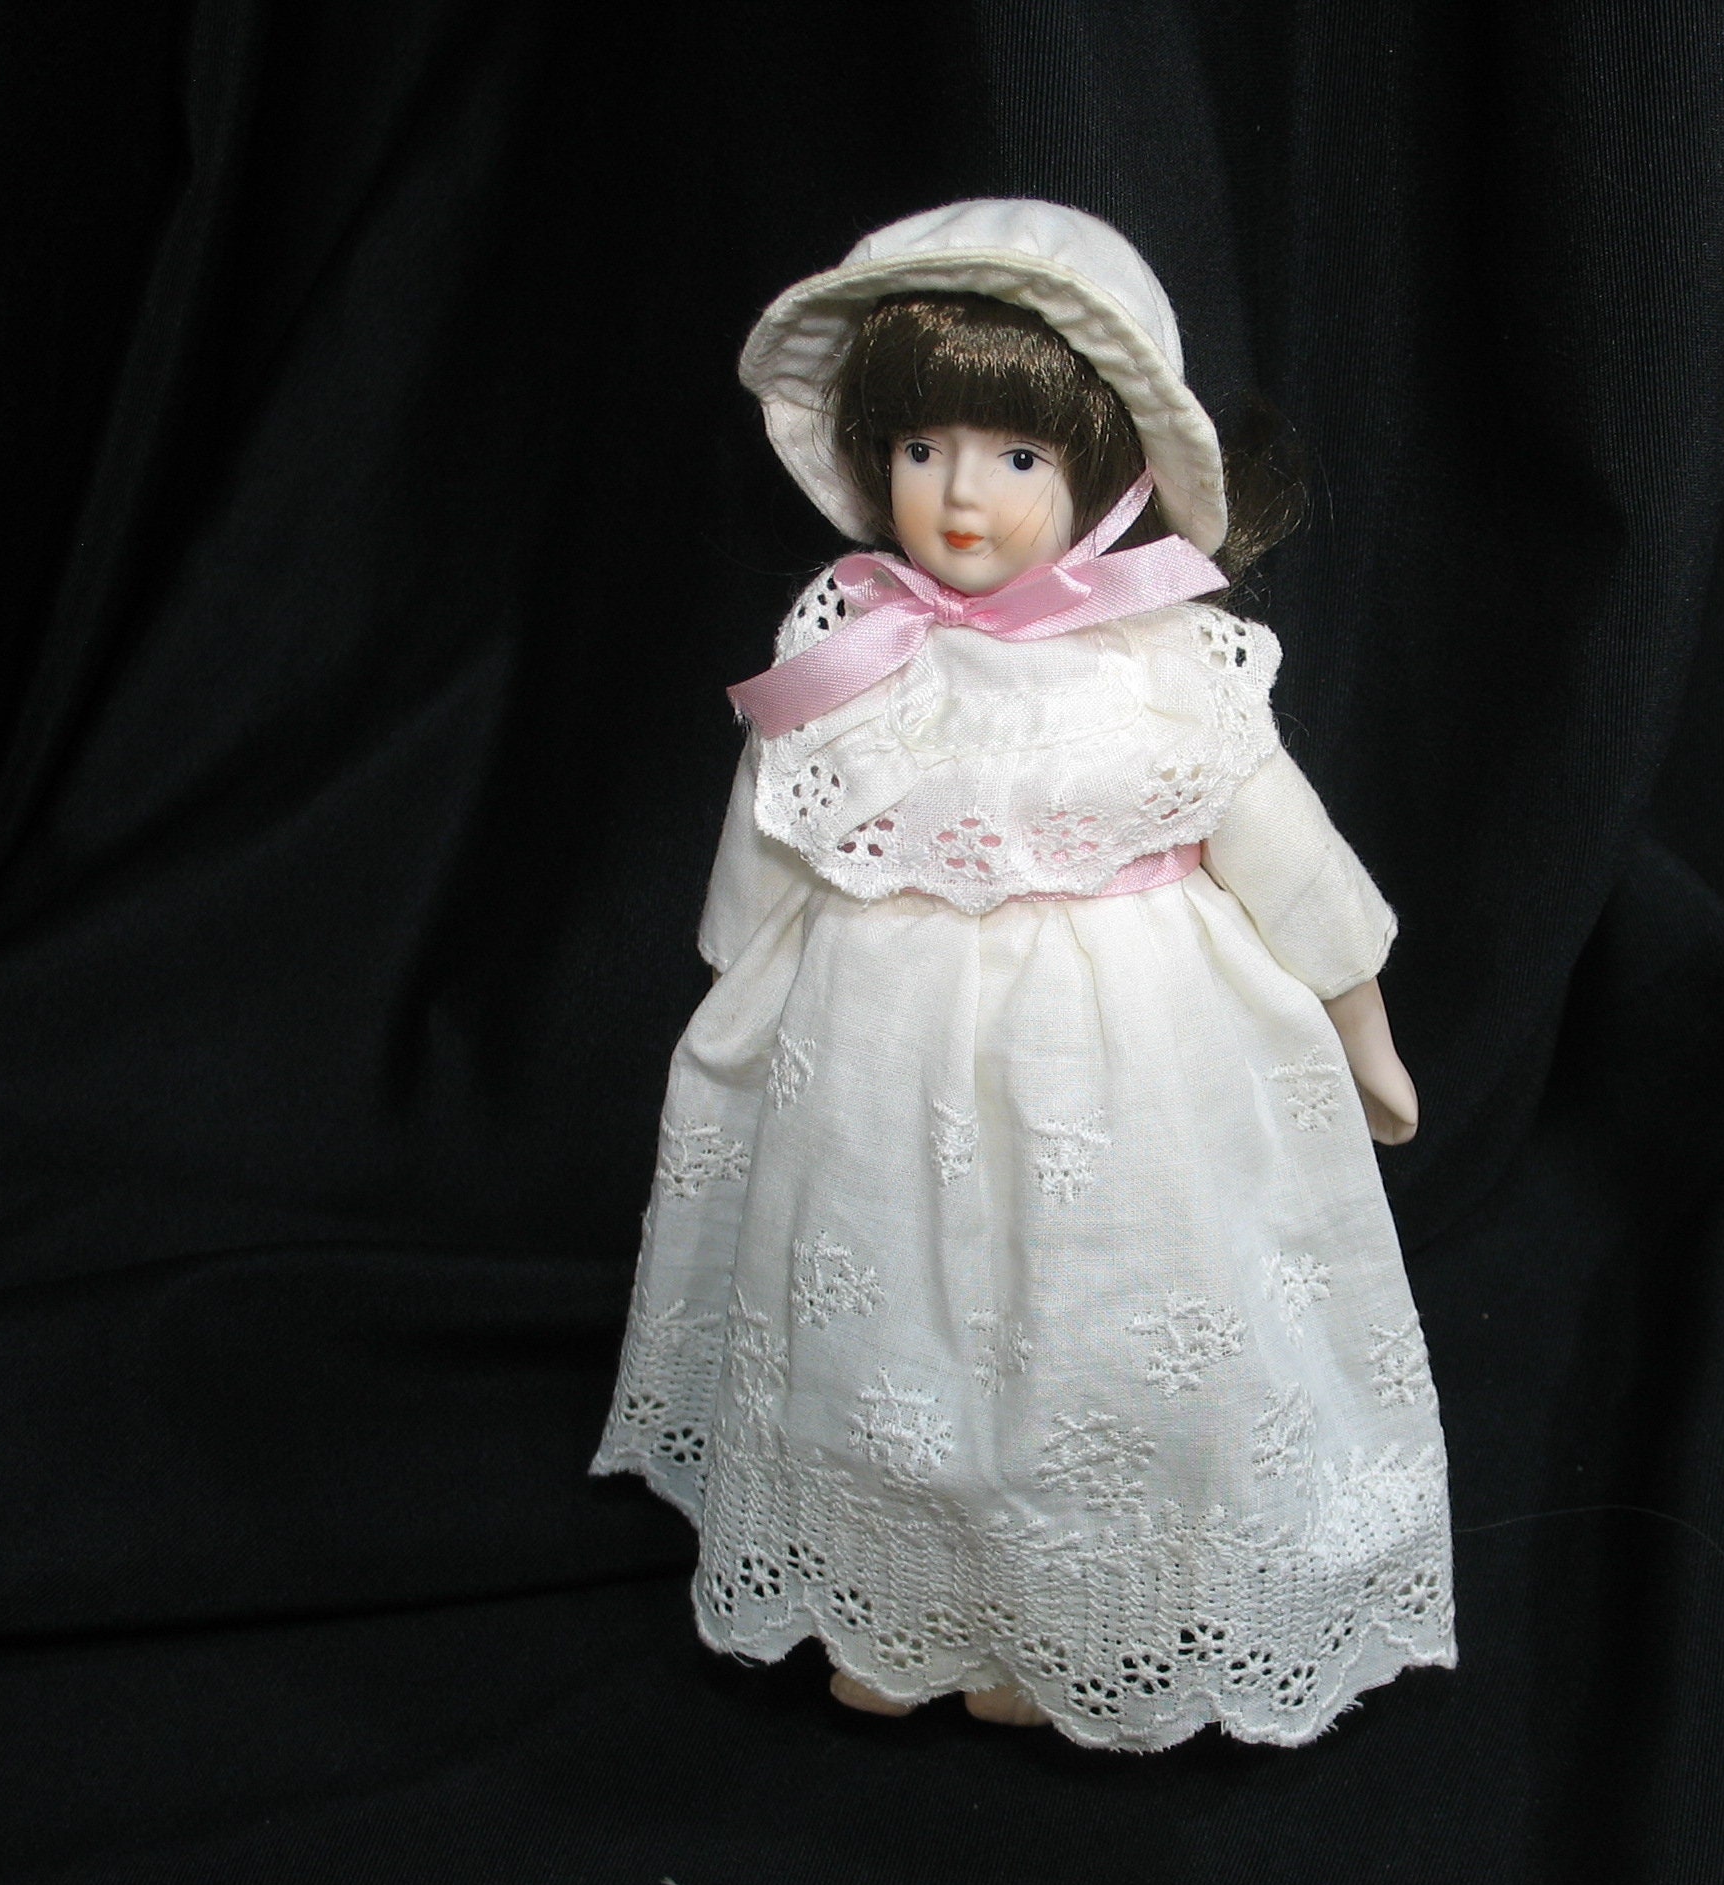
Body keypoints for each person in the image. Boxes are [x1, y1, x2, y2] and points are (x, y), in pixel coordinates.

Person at [593, 200, 1454, 1750]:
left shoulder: (1163, 662)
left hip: (1127, 1060)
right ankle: (897, 1600)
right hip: (878, 1047)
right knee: (884, 1330)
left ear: (1103, 472)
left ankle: (1058, 1629)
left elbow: (1287, 853)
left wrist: (1361, 1022)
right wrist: (732, 990)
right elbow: (775, 828)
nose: (959, 497)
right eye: (922, 450)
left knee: (1103, 1331)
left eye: (1015, 457)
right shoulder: (857, 646)